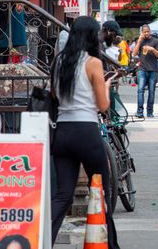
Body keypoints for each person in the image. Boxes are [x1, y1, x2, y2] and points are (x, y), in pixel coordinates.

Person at [50, 16, 120, 249]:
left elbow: (53, 95)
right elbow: (102, 105)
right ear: (91, 36)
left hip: (62, 132)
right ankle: (110, 244)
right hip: (86, 132)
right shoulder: (93, 63)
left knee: (63, 195)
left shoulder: (59, 61)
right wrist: (107, 87)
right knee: (101, 191)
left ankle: (42, 239)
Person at [132, 24, 158, 118]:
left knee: (151, 91)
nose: (146, 33)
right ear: (142, 32)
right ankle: (140, 112)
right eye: (144, 32)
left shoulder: (156, 41)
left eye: (147, 31)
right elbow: (134, 54)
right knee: (140, 90)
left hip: (153, 69)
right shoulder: (140, 41)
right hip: (142, 69)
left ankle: (150, 112)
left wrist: (152, 49)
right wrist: (139, 41)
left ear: (150, 31)